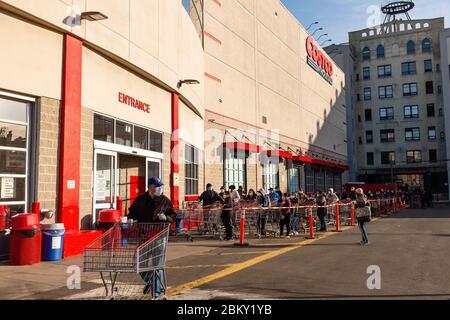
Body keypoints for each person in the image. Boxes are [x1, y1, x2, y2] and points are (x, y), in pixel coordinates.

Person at [127, 177, 176, 298]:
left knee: (157, 266)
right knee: (139, 264)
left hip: (159, 237)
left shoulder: (165, 200)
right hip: (143, 237)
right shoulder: (140, 200)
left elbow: (173, 214)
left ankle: (156, 293)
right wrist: (130, 219)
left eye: (160, 186)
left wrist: (166, 218)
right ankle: (151, 281)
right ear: (150, 187)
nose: (159, 188)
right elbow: (132, 212)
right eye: (157, 186)